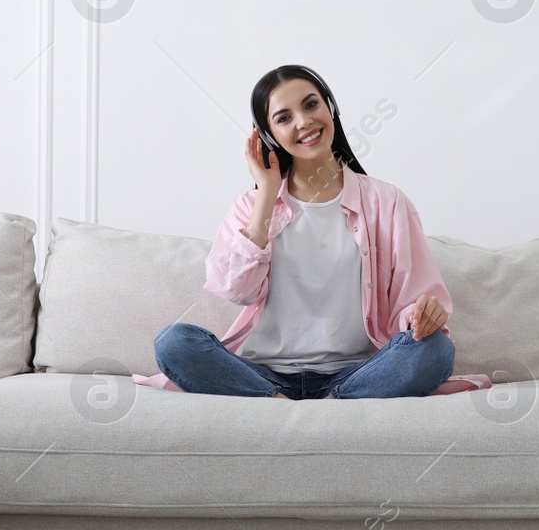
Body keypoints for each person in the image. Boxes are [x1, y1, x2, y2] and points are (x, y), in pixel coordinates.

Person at [153, 64, 455, 399]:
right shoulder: (250, 206)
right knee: (173, 342)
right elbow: (237, 290)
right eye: (284, 118)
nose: (304, 121)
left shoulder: (387, 201)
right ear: (268, 134)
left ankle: (327, 404)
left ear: (330, 107)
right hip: (262, 373)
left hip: (359, 370)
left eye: (311, 105)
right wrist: (267, 194)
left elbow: (412, 300)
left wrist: (420, 315)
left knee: (437, 350)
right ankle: (285, 404)